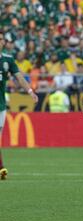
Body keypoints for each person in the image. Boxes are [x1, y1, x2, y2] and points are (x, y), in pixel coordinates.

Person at [0, 30, 38, 180]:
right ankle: (1, 168)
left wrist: (30, 91)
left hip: (1, 106)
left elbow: (19, 77)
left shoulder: (8, 60)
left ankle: (1, 168)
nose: (0, 41)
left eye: (1, 39)